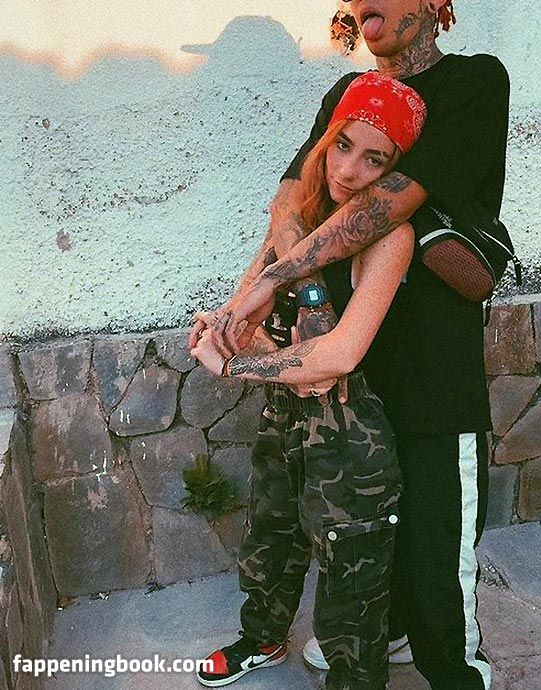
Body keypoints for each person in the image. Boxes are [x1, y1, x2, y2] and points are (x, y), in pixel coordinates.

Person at [192, 2, 510, 688]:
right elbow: (295, 197)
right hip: (351, 369)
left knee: (434, 558)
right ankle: (381, 633)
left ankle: (455, 672)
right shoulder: (348, 91)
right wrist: (261, 293)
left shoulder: (473, 82)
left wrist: (273, 284)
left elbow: (386, 205)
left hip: (428, 369)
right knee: (354, 535)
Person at [191, 73, 428, 690]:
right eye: (343, 145)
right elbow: (245, 310)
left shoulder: (391, 238)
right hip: (284, 416)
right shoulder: (294, 225)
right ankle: (262, 638)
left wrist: (239, 365)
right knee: (270, 538)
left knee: (352, 585)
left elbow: (342, 355)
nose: (349, 170)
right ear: (325, 142)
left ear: (394, 173)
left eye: (375, 159)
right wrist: (228, 332)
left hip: (351, 435)